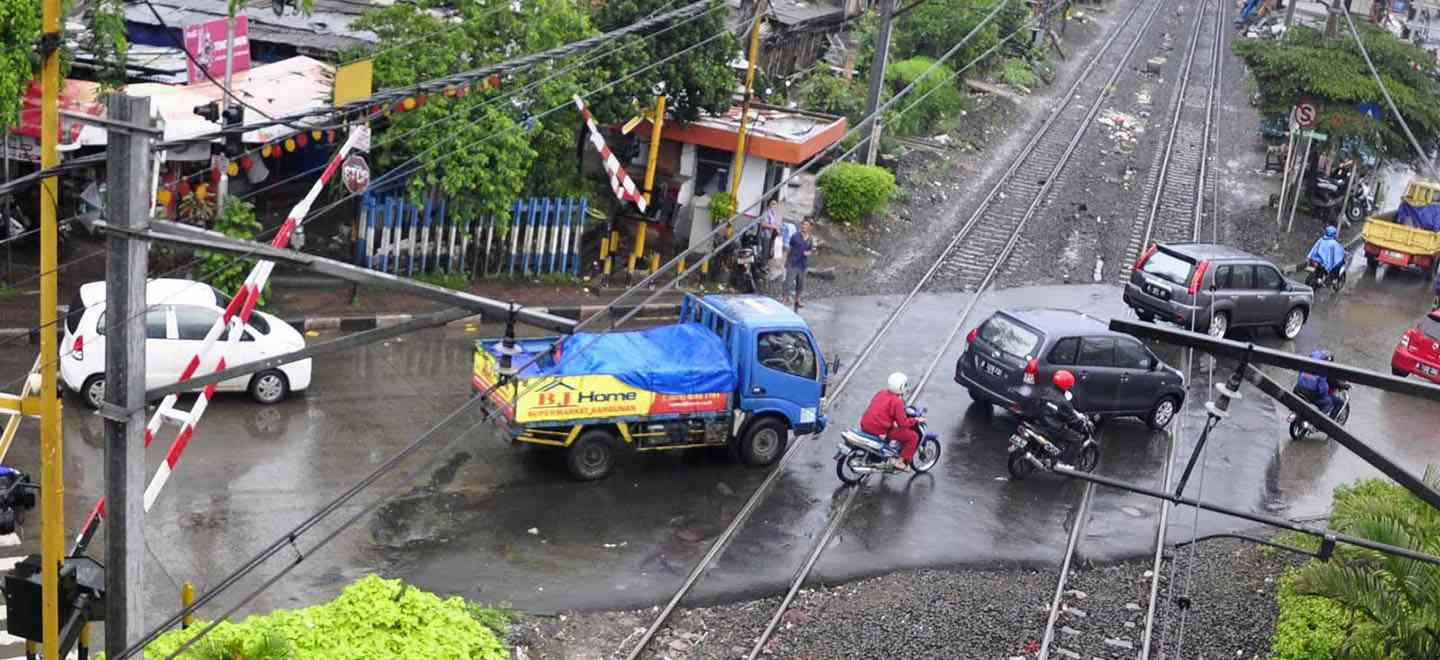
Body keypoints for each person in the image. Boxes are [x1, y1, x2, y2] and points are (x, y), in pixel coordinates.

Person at [860, 372, 925, 471]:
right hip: (880, 429)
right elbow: (903, 423)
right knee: (913, 437)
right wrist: (915, 420)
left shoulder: (881, 392)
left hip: (866, 424)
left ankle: (887, 454)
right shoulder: (897, 401)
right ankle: (900, 462)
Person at [1295, 349, 1339, 416]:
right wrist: (1325, 394)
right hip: (1310, 395)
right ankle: (1319, 421)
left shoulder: (1307, 364)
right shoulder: (1322, 370)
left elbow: (1299, 376)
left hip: (1297, 390)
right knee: (1329, 403)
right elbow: (1322, 389)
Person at [785, 219, 816, 309]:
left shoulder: (810, 238)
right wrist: (786, 262)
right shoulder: (795, 236)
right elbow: (789, 248)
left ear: (809, 227)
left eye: (806, 225)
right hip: (793, 262)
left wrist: (808, 253)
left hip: (803, 265)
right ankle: (785, 299)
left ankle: (797, 300)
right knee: (788, 282)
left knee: (801, 284)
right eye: (803, 225)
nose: (804, 226)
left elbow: (811, 250)